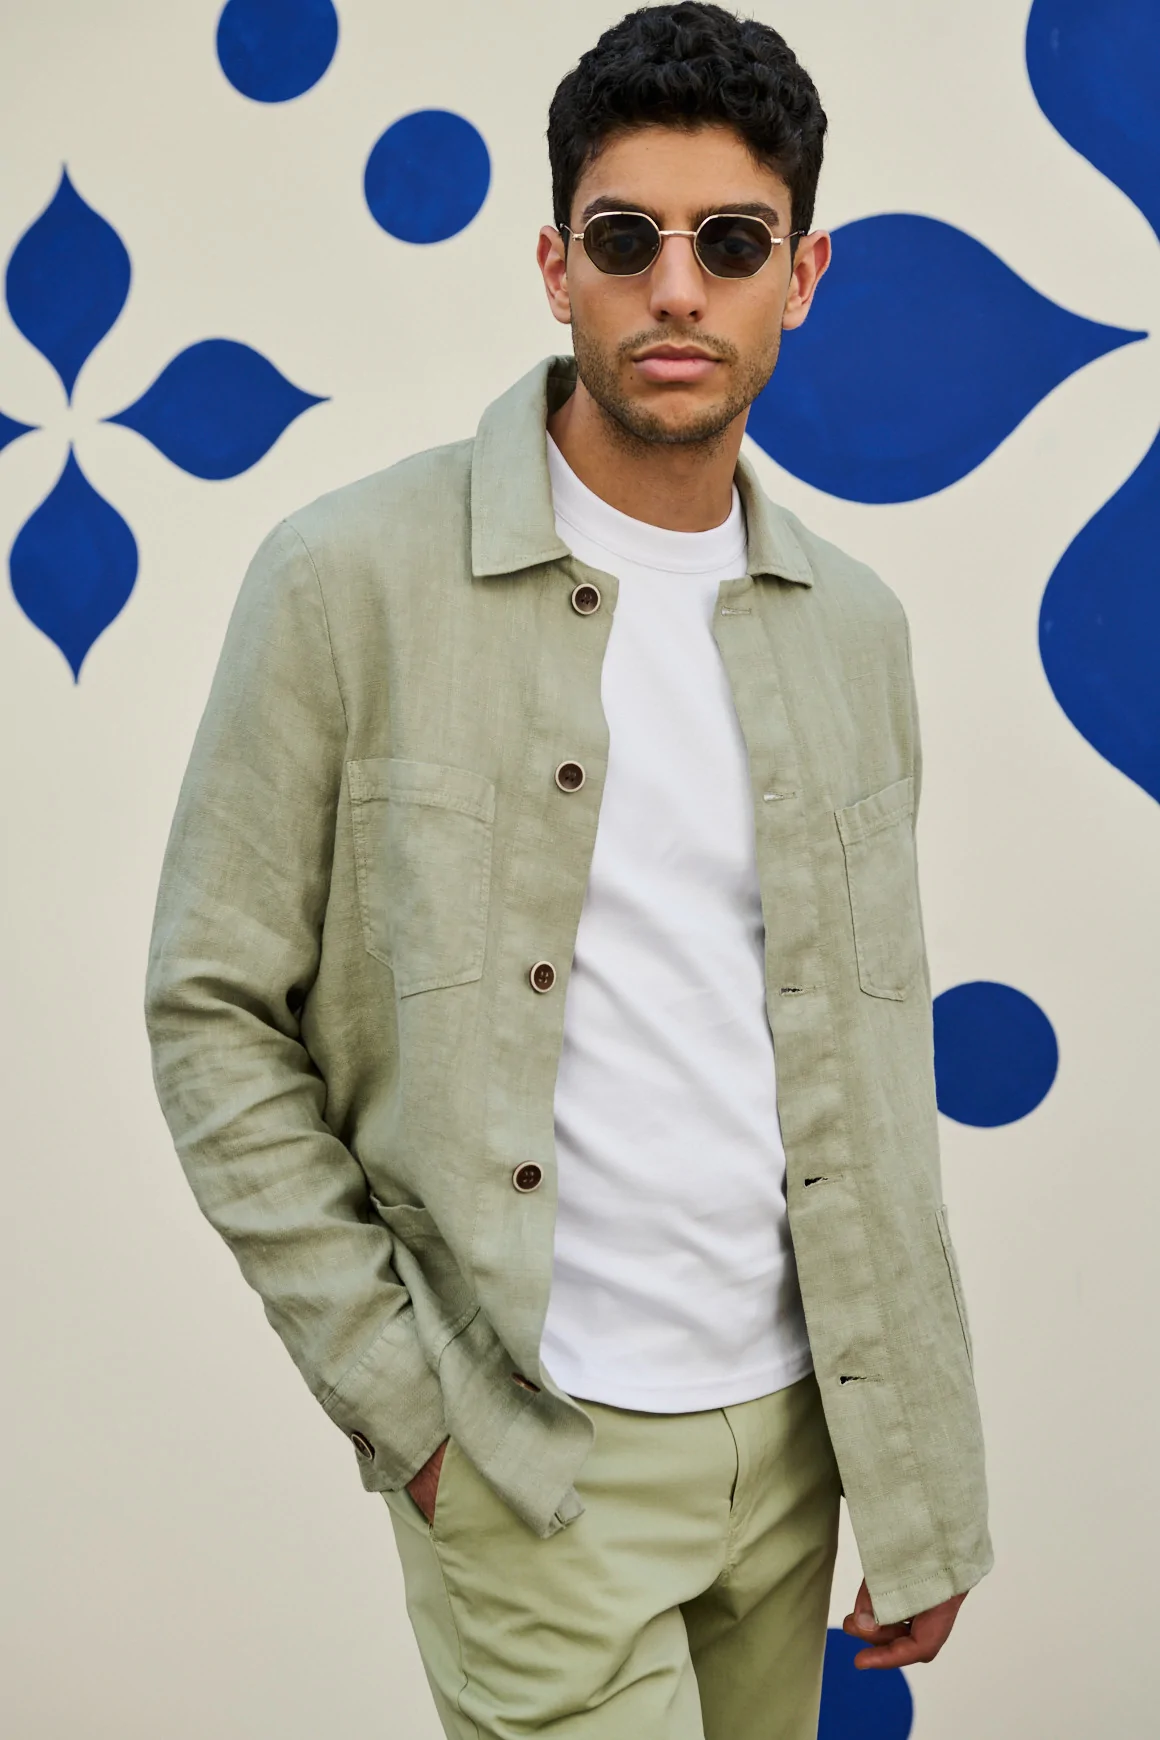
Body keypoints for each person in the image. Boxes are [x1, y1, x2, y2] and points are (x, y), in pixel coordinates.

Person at [145, 5, 991, 1735]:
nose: (677, 288)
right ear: (556, 267)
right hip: (530, 1461)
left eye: (731, 242)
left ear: (802, 274)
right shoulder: (346, 582)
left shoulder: (857, 631)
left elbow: (872, 1075)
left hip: (801, 1442)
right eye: (626, 239)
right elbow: (211, 1007)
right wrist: (410, 1409)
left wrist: (921, 1471)